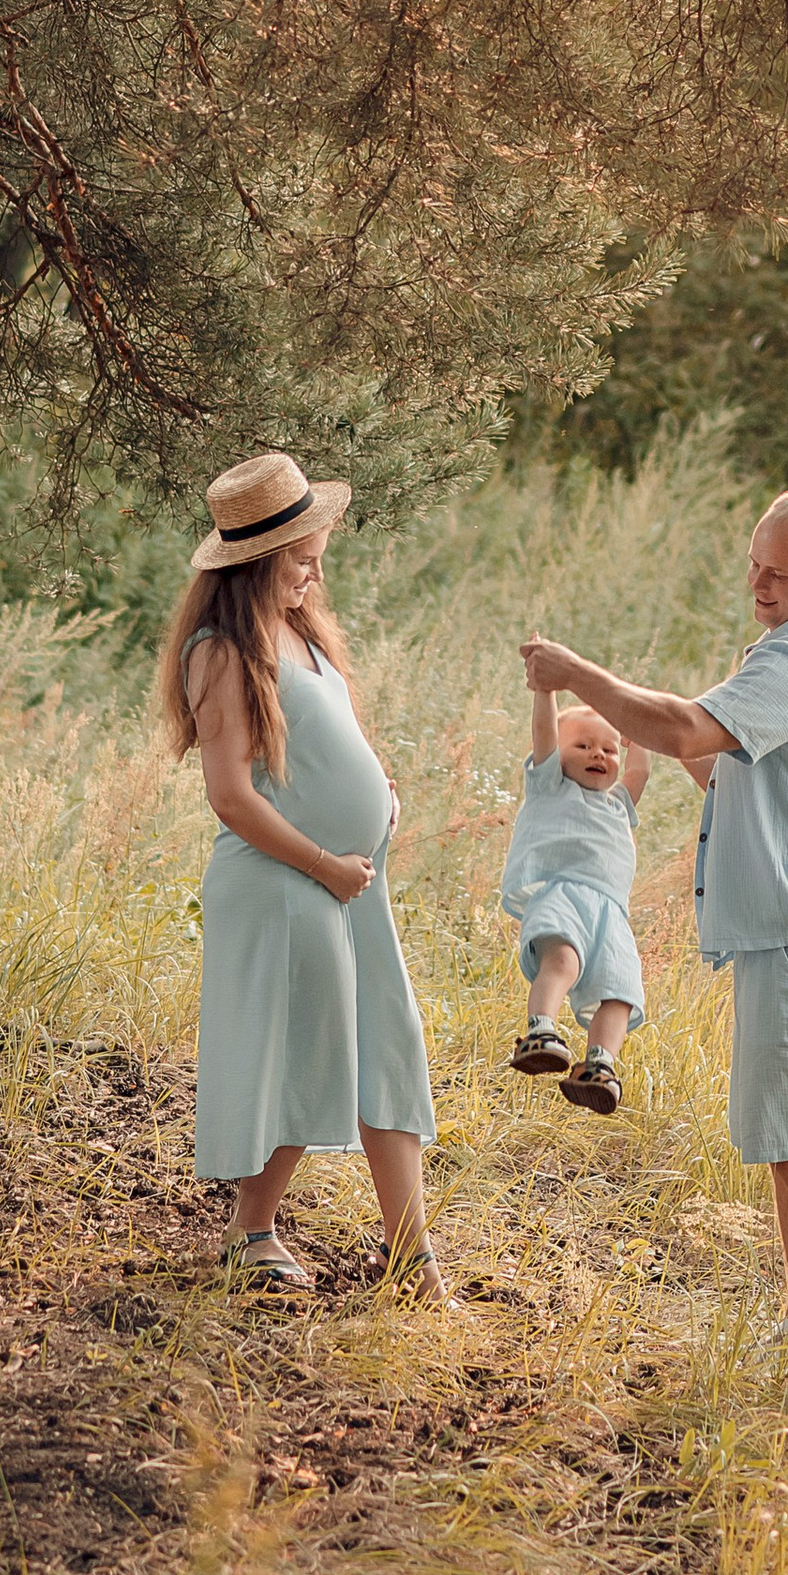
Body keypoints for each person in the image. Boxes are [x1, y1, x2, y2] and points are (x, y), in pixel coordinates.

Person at [521, 492, 788, 1340]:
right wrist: (655, 728)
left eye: (779, 572)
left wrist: (579, 677)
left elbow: (686, 729)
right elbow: (721, 768)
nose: (758, 583)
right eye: (754, 564)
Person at [156, 450, 445, 1300]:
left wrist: (379, 792)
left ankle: (412, 1256)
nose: (314, 573)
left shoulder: (303, 630)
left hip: (351, 879)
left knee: (389, 1044)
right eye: (300, 560)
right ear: (254, 564)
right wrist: (325, 862)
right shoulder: (222, 652)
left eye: (316, 556)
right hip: (287, 878)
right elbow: (231, 797)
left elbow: (327, 742)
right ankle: (250, 1232)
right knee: (308, 1052)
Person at [502, 685, 651, 1113]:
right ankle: (540, 1032)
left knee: (621, 993)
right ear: (559, 754)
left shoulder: (619, 804)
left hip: (612, 916)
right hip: (562, 896)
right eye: (583, 746)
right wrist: (545, 689)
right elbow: (544, 733)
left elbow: (640, 771)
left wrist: (639, 730)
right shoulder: (551, 786)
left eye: (609, 749)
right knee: (563, 961)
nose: (598, 754)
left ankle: (599, 1066)